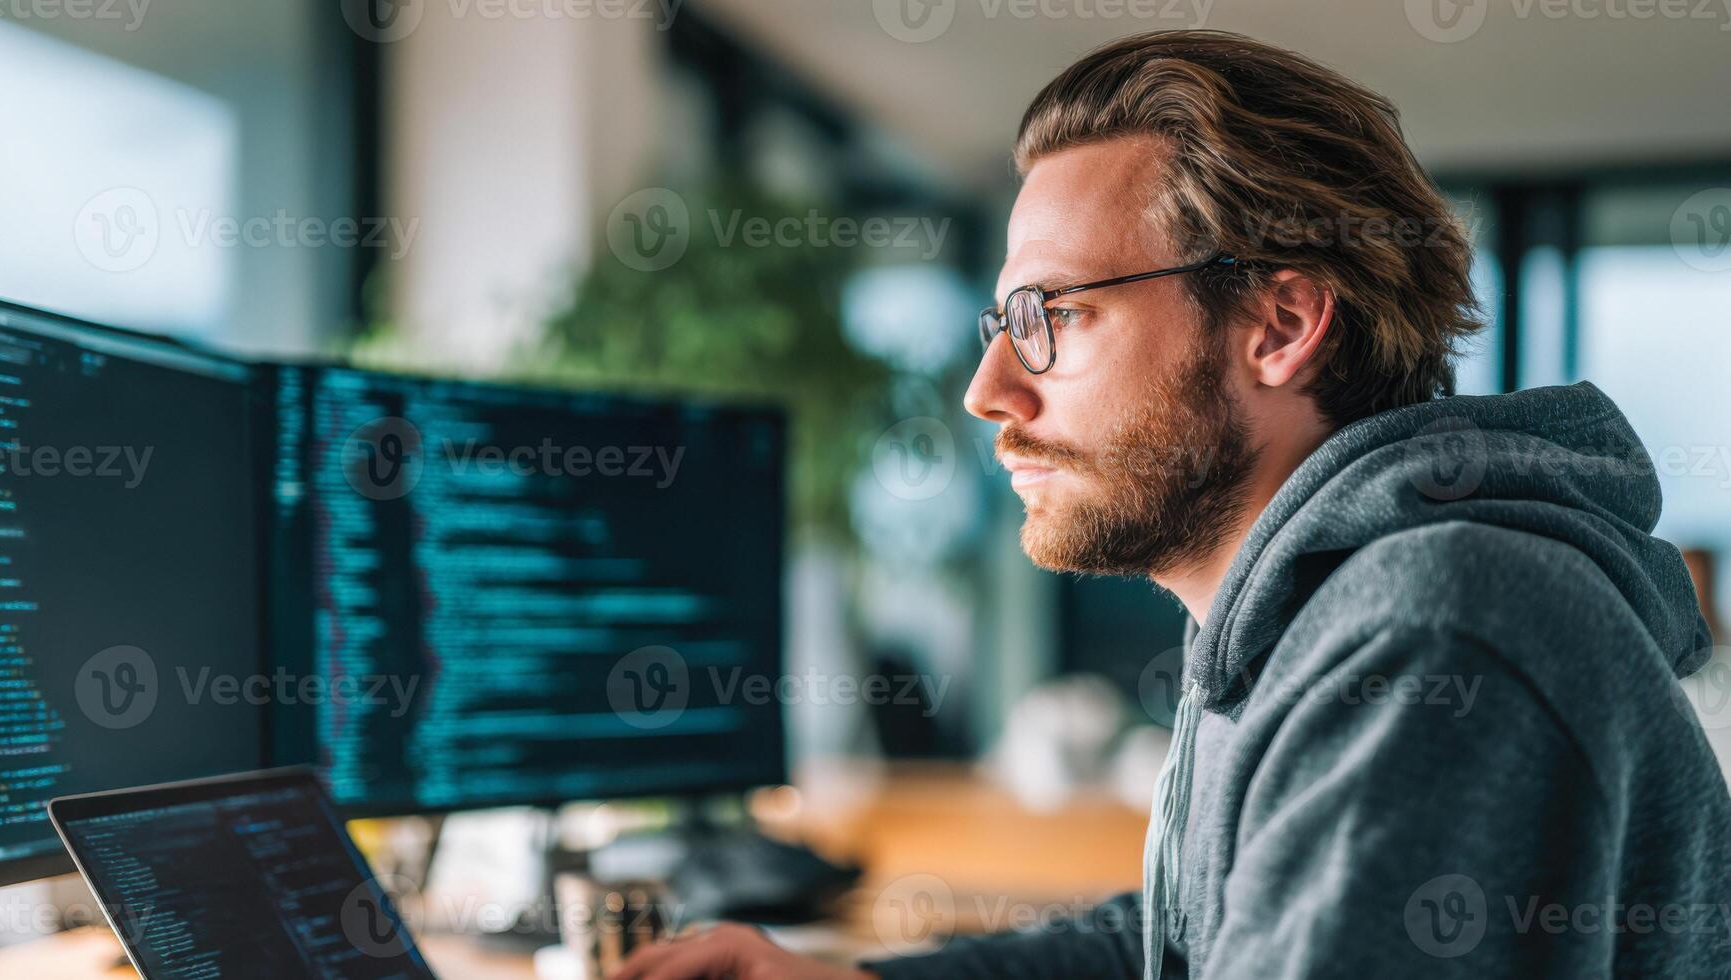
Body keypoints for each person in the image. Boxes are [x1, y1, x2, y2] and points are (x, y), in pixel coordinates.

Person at [613, 29, 1731, 980]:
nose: (987, 392)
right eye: (999, 324)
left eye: (1051, 315)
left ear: (1281, 324)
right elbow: (1181, 930)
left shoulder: (1436, 622)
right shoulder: (1301, 608)